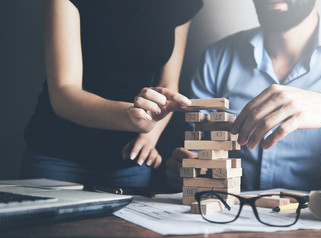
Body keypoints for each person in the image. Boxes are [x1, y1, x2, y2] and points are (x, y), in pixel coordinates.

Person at [166, 0, 321, 191]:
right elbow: (197, 151)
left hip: (319, 215)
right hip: (230, 213)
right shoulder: (216, 58)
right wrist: (186, 169)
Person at [21, 0, 203, 188]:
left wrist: (147, 137)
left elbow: (168, 84)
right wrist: (131, 117)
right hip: (58, 155)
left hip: (129, 160)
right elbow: (63, 93)